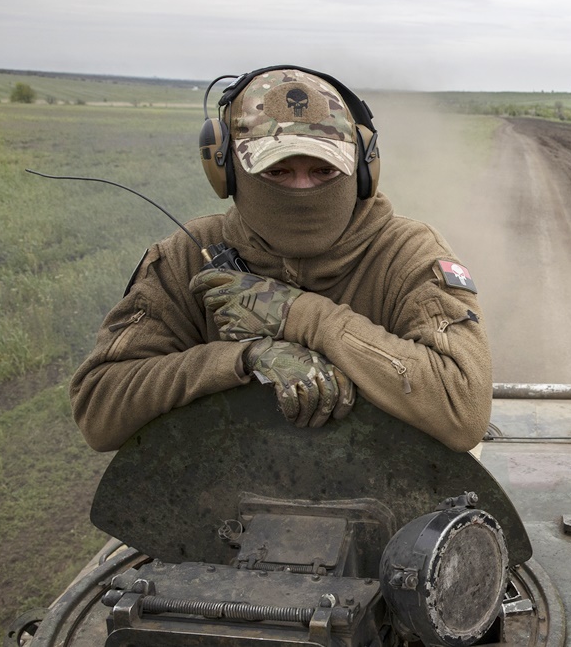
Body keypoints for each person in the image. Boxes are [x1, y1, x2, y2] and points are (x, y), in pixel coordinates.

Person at [69, 67, 492, 453]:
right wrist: (241, 359)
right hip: (232, 503)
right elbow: (99, 409)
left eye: (324, 171)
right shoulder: (188, 254)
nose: (303, 187)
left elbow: (463, 410)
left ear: (363, 170)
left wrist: (303, 317)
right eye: (277, 172)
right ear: (228, 173)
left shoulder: (407, 254)